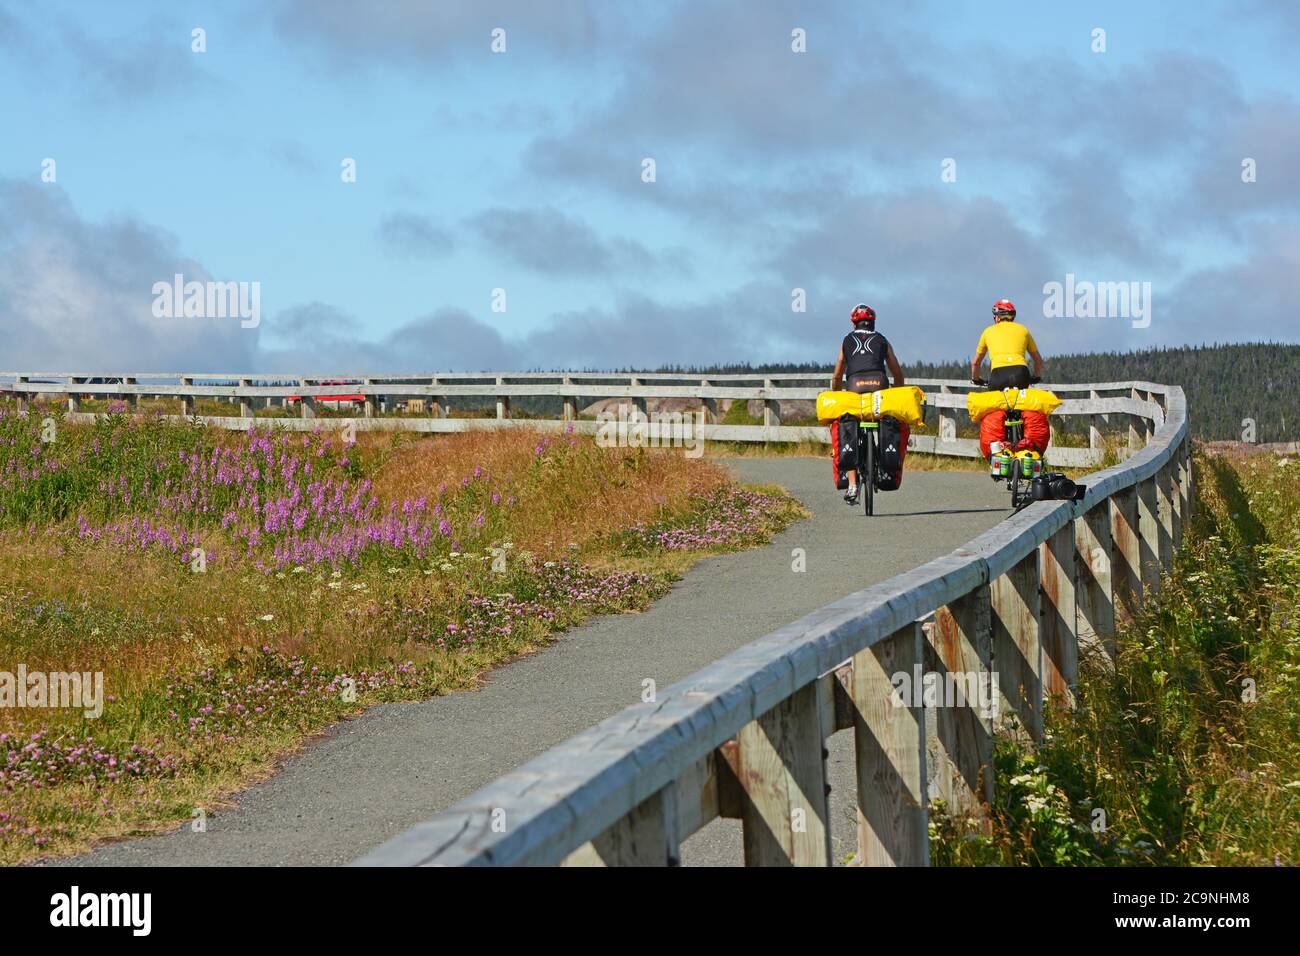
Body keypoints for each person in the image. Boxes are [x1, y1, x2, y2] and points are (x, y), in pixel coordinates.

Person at [831, 303, 905, 503]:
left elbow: (838, 373)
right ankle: (885, 468)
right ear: (873, 322)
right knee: (885, 418)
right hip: (879, 385)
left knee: (848, 424)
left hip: (854, 387)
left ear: (853, 322)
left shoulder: (846, 340)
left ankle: (853, 485)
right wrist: (898, 390)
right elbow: (896, 370)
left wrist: (836, 393)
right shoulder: (882, 339)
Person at [970, 299, 1044, 390]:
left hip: (998, 375)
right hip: (1021, 374)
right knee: (1021, 401)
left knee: (996, 402)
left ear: (997, 317)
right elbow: (1038, 361)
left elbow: (976, 363)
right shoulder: (1023, 330)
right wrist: (1036, 377)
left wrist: (976, 379)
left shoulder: (988, 331)